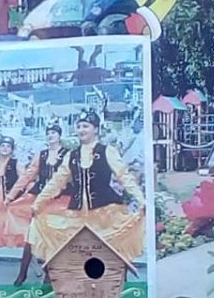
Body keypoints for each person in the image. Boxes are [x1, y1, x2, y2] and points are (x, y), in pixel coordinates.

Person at [28, 108, 145, 266]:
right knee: (77, 257)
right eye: (79, 126)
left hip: (105, 214)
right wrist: (38, 203)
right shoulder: (72, 156)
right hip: (77, 214)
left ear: (95, 129)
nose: (81, 130)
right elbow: (56, 182)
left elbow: (124, 177)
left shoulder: (107, 151)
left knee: (108, 257)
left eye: (85, 126)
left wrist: (140, 199)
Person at [5, 123, 69, 285]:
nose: (50, 135)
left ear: (59, 136)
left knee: (54, 238)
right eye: (48, 133)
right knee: (32, 236)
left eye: (54, 133)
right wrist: (11, 195)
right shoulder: (42, 155)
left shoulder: (67, 154)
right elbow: (27, 176)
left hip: (60, 202)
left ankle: (49, 274)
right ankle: (22, 274)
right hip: (41, 202)